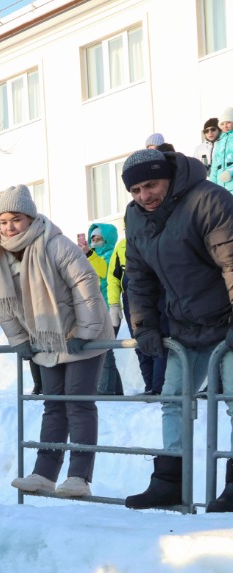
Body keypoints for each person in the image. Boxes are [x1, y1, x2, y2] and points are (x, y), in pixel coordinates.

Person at [120, 148, 233, 511]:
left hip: (225, 321)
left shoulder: (209, 200)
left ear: (168, 176)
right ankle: (170, 482)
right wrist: (144, 326)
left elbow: (231, 261)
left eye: (151, 185)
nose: (144, 196)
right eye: (135, 191)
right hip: (185, 327)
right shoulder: (136, 218)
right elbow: (138, 277)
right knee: (173, 401)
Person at [0, 185, 111, 499]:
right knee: (53, 406)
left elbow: (86, 286)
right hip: (46, 340)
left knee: (78, 404)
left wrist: (86, 332)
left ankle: (79, 476)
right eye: (3, 221)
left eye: (15, 219)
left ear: (30, 217)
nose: (8, 227)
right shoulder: (0, 252)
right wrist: (18, 339)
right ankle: (44, 473)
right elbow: (5, 303)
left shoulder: (55, 244)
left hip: (82, 337)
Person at [78, 222, 123, 395]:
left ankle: (106, 390)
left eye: (99, 239)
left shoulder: (111, 255)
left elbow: (103, 271)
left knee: (103, 349)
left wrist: (88, 254)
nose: (95, 242)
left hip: (109, 311)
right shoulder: (91, 257)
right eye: (93, 239)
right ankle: (115, 390)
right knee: (105, 350)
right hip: (95, 311)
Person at [209, 108, 233, 192]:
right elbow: (215, 165)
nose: (225, 126)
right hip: (221, 186)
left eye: (228, 122)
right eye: (222, 124)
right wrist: (211, 184)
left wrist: (230, 172)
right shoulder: (219, 142)